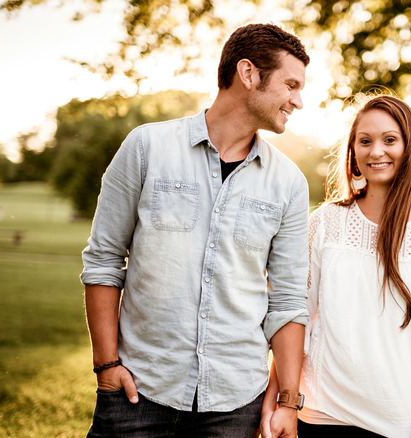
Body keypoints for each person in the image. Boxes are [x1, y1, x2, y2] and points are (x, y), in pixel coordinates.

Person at [80, 23, 310, 438]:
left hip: (235, 403)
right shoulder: (147, 147)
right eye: (290, 85)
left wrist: (288, 401)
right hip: (138, 393)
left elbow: (289, 300)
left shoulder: (289, 182)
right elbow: (104, 261)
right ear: (248, 73)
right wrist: (107, 364)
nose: (298, 100)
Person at [262, 94, 411, 438]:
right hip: (320, 414)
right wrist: (284, 401)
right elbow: (298, 318)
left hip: (397, 424)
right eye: (365, 141)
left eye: (389, 140)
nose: (376, 151)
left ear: (410, 146)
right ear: (353, 151)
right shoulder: (325, 222)